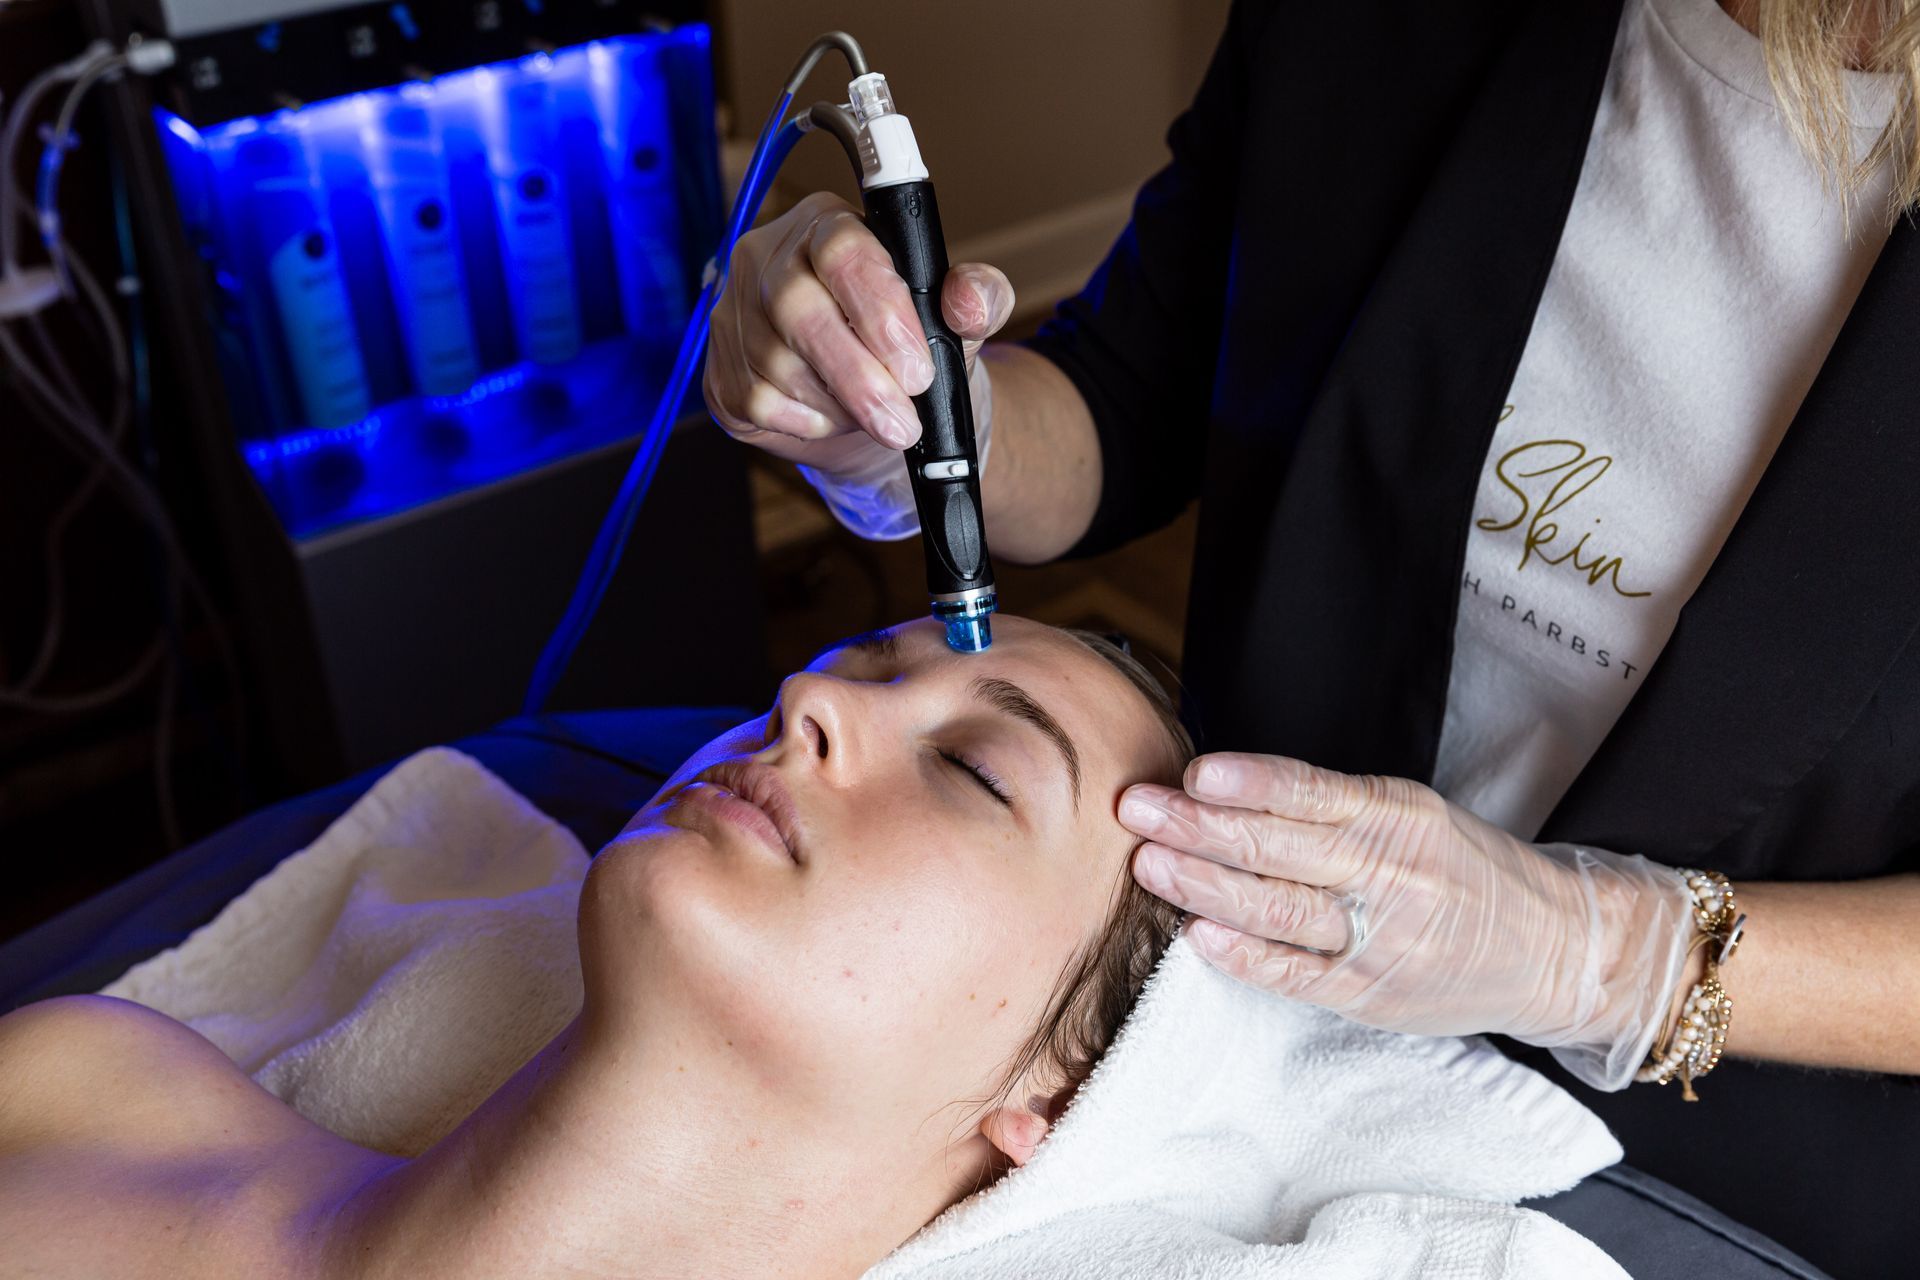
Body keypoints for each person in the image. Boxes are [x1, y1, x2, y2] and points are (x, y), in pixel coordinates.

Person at [700, 0, 1920, 1273]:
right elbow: (1128, 395)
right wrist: (915, 423)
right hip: (1245, 1006)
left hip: (1733, 1161)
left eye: (982, 770)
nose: (797, 704)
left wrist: (1610, 957)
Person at [0, 618, 1189, 1279]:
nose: (807, 697)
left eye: (976, 771)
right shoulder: (83, 1086)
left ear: (1071, 1088)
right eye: (855, 661)